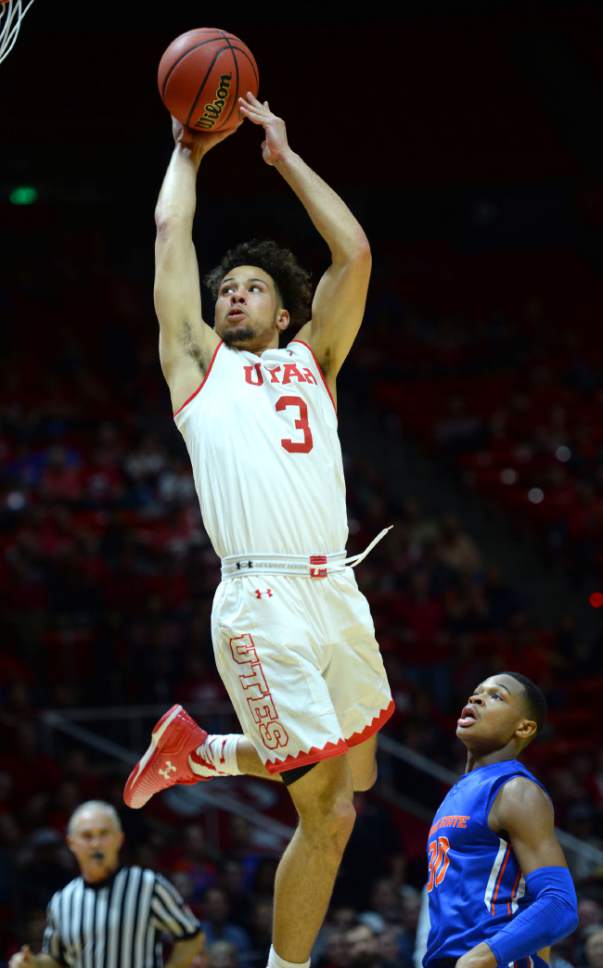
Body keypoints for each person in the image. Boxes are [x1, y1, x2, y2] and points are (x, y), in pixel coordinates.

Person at [123, 91, 394, 968]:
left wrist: (281, 155)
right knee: (330, 810)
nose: (232, 295)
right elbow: (172, 241)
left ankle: (202, 754)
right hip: (262, 599)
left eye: (251, 288)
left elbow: (351, 251)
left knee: (361, 777)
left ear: (284, 314)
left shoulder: (313, 361)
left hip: (336, 588)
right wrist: (188, 154)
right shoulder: (197, 368)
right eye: (225, 290)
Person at [423, 671, 578, 968]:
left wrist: (479, 959)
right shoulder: (459, 792)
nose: (476, 698)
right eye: (476, 692)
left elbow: (560, 903)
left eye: (497, 696)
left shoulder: (515, 790)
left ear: (524, 728)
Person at [9, 800, 204, 968]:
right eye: (87, 836)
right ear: (71, 843)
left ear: (119, 839)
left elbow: (192, 936)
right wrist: (33, 963)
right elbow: (58, 961)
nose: (96, 843)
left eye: (103, 834)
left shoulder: (147, 885)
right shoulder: (62, 901)